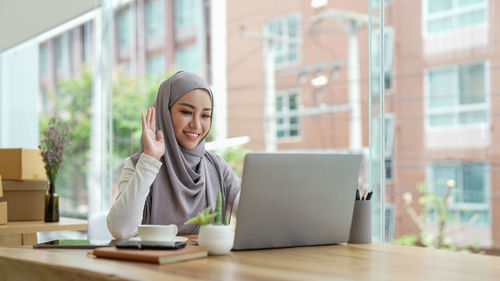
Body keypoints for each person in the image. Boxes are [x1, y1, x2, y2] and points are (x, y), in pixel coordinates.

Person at [107, 71, 241, 240]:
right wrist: (150, 160)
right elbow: (121, 230)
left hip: (206, 265)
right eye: (186, 112)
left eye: (205, 115)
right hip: (152, 265)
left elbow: (252, 212)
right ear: (165, 112)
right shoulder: (138, 164)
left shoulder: (216, 167)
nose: (196, 125)